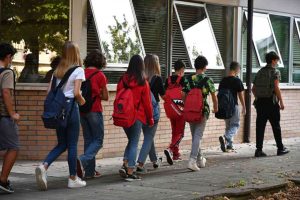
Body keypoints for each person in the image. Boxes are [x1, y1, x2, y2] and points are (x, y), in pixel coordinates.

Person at [35, 41, 87, 190]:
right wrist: (83, 102)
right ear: (76, 53)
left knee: (62, 143)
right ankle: (72, 178)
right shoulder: (78, 70)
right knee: (72, 144)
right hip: (71, 108)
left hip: (58, 110)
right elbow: (77, 93)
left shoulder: (57, 70)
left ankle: (44, 166)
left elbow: (48, 92)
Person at [117, 55, 154, 181]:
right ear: (141, 66)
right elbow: (147, 103)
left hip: (123, 115)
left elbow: (118, 97)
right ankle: (131, 170)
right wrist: (150, 119)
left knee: (131, 140)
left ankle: (125, 163)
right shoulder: (143, 81)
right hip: (137, 116)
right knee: (134, 142)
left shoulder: (122, 79)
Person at [182, 56, 218, 171]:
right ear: (205, 67)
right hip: (202, 110)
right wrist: (216, 108)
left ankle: (200, 159)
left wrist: (187, 104)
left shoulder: (188, 79)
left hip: (190, 111)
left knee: (195, 136)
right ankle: (192, 160)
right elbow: (213, 96)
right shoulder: (207, 79)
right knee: (198, 136)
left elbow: (183, 94)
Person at [77, 50, 108, 179]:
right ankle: (82, 160)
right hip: (94, 110)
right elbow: (105, 96)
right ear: (100, 62)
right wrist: (98, 93)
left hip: (81, 109)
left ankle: (89, 173)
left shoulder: (81, 72)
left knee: (89, 140)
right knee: (98, 140)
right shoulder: (100, 75)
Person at [252, 51, 289, 157]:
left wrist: (258, 98)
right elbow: (276, 87)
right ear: (273, 60)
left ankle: (258, 150)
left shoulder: (260, 72)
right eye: (277, 60)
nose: (277, 62)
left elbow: (253, 89)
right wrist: (281, 101)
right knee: (276, 126)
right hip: (271, 103)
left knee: (260, 126)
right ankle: (280, 148)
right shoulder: (275, 72)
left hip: (260, 103)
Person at [136, 54, 165, 173]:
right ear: (156, 64)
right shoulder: (157, 78)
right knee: (149, 137)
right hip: (153, 110)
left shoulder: (140, 77)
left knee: (149, 136)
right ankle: (140, 163)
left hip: (141, 110)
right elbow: (163, 95)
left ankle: (154, 160)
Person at [0, 43, 19, 193]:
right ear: (8, 56)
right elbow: (6, 92)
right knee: (13, 147)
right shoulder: (7, 72)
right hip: (3, 116)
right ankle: (2, 181)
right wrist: (12, 113)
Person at [218, 62, 246, 152]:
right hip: (233, 106)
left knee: (228, 126)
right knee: (235, 125)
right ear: (236, 70)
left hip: (224, 107)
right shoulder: (237, 80)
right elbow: (241, 95)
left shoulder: (223, 80)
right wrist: (244, 106)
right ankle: (226, 137)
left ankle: (229, 146)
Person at [164, 59, 186, 165]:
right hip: (181, 109)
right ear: (181, 69)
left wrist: (169, 102)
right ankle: (170, 149)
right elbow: (186, 94)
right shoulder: (182, 80)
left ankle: (176, 155)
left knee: (174, 132)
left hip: (171, 109)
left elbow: (163, 94)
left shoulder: (167, 80)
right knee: (180, 133)